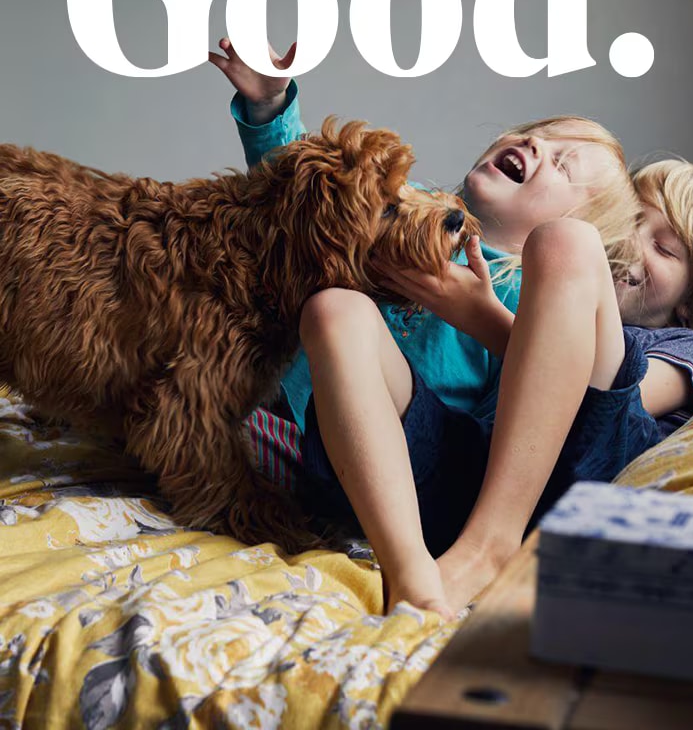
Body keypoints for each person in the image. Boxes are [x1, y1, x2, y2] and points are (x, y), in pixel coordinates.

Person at [208, 38, 644, 613]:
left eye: (564, 165)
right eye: (536, 133)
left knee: (562, 254)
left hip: (470, 469)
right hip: (363, 461)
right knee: (333, 308)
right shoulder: (410, 211)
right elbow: (309, 199)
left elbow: (574, 401)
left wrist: (480, 315)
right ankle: (411, 576)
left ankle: (479, 553)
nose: (535, 143)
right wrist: (271, 105)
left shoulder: (530, 284)